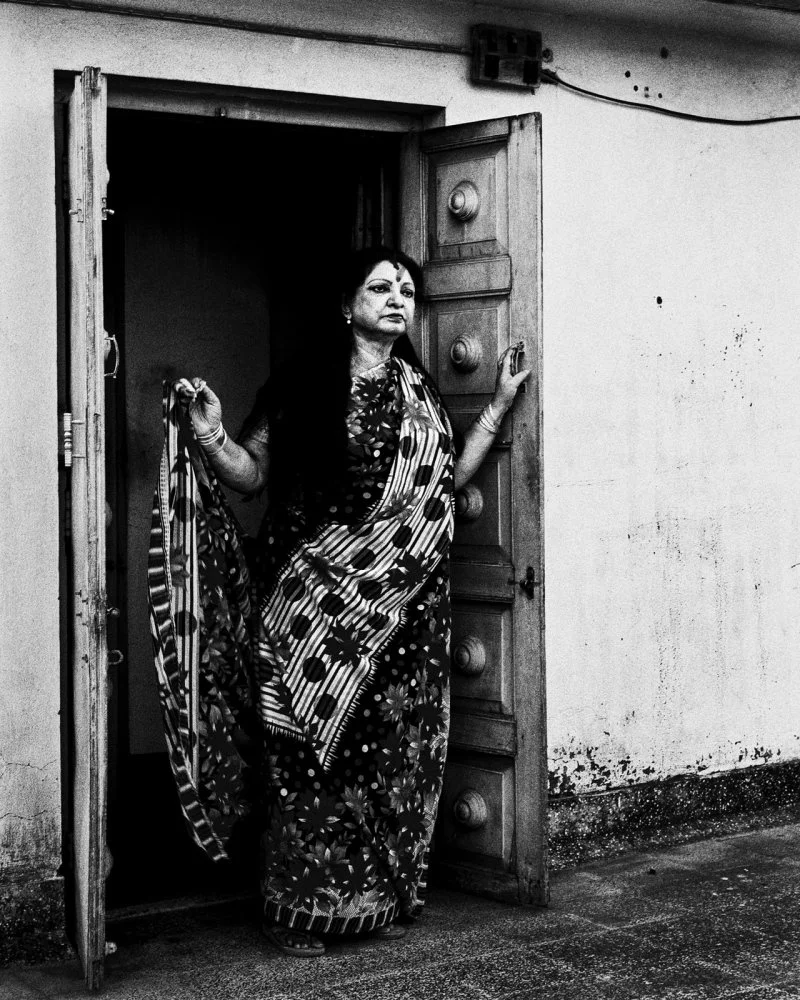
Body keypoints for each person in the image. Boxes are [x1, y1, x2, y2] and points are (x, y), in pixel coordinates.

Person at [150, 245, 530, 958]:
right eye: (380, 286)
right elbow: (249, 475)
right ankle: (295, 911)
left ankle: (376, 901)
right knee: (306, 766)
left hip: (398, 624)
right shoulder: (303, 383)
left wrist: (501, 406)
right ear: (346, 305)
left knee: (387, 764)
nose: (397, 298)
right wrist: (209, 434)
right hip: (306, 614)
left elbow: (442, 482)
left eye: (407, 291)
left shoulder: (418, 394)